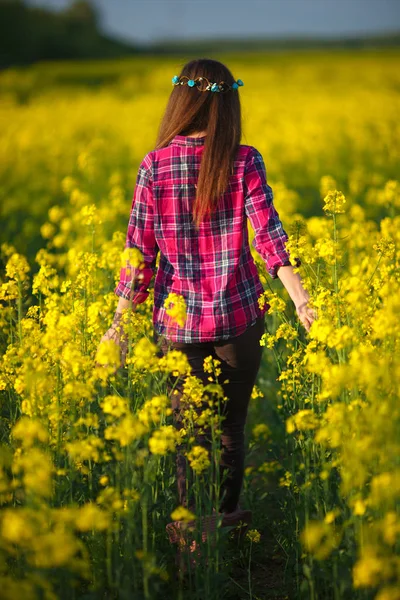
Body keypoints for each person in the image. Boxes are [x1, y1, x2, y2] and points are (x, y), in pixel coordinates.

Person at [98, 58, 316, 549]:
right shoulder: (244, 160)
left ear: (181, 102)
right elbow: (270, 238)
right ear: (227, 104)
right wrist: (302, 300)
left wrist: (117, 327)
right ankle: (230, 529)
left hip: (177, 327)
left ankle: (192, 543)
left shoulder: (154, 166)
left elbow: (139, 256)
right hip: (238, 317)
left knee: (187, 436)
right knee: (230, 431)